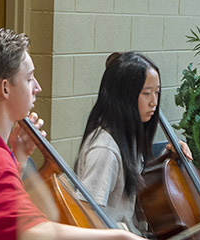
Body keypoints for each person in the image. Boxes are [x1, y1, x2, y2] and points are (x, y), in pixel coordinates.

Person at [0, 27, 145, 240]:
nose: (37, 87)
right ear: (5, 88)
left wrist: (19, 158)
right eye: (29, 78)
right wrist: (119, 237)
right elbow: (31, 231)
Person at [74, 51, 193, 236]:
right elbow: (84, 213)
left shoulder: (129, 138)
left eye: (157, 92)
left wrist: (166, 156)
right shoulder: (105, 149)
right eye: (146, 93)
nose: (154, 102)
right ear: (124, 96)